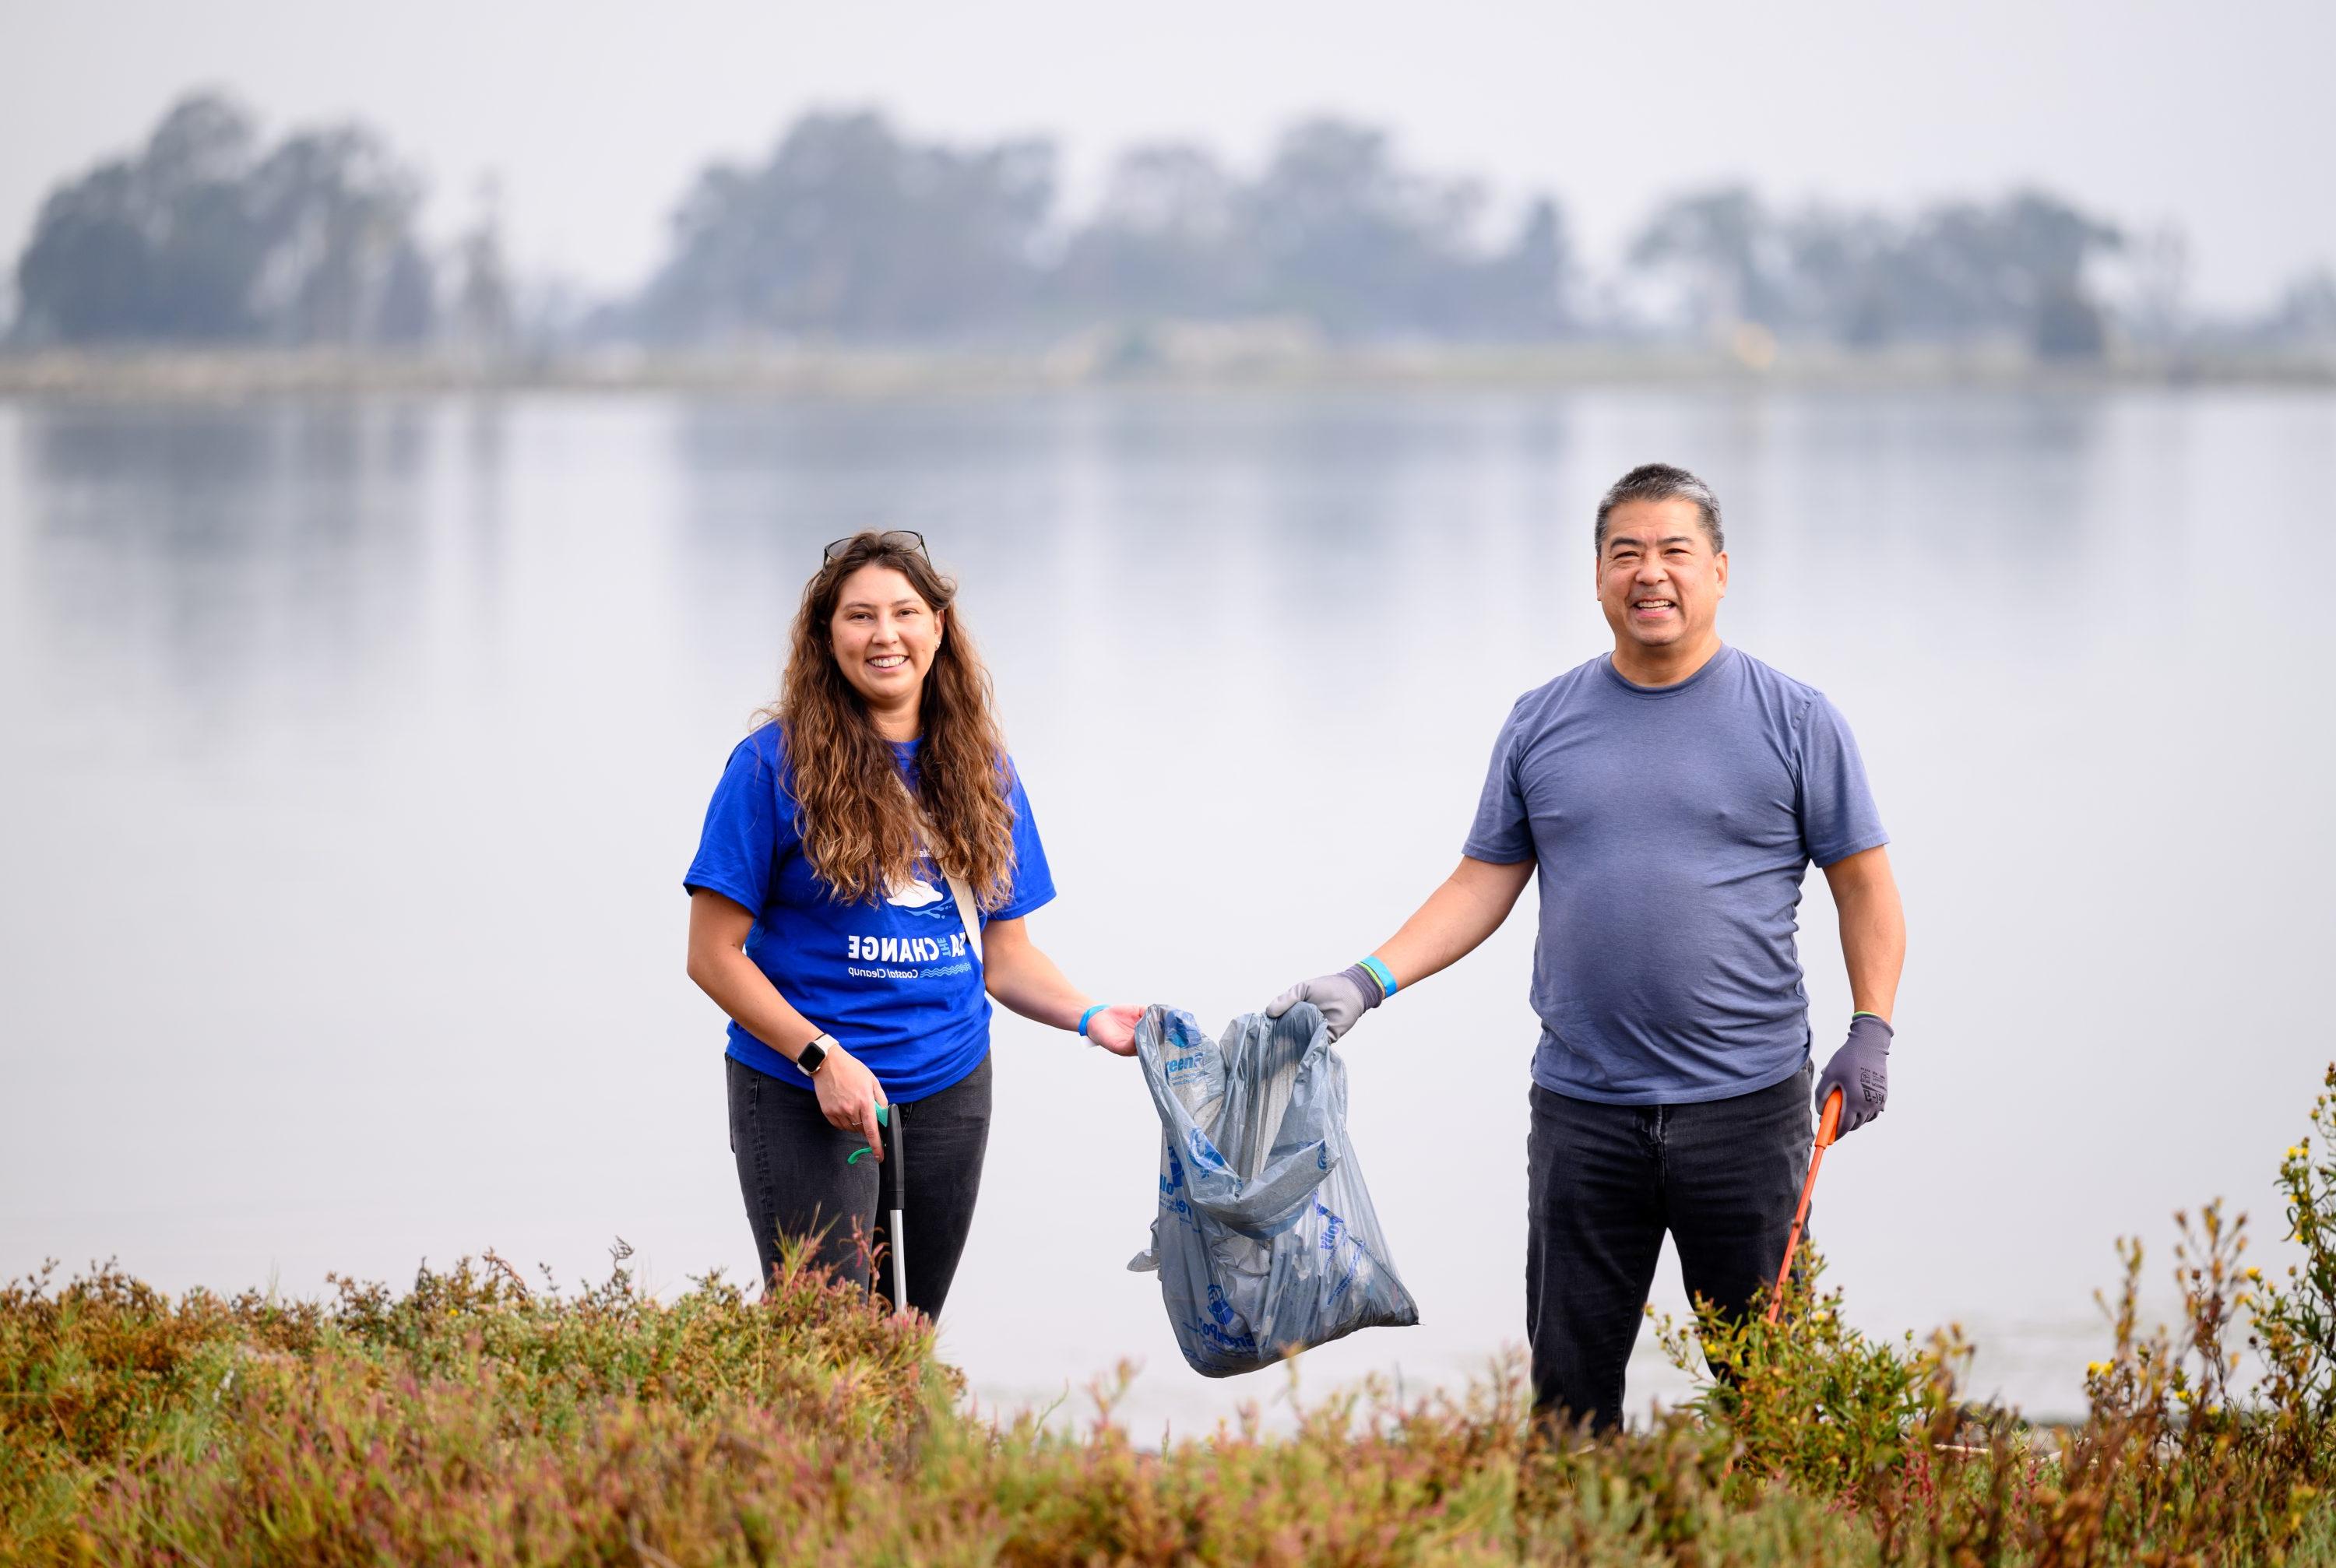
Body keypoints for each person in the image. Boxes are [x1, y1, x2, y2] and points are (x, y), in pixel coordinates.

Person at [1268, 463, 1905, 1433]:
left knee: (1771, 1400)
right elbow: (1483, 879)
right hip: (1585, 1114)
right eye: (1627, 553)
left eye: (1675, 552)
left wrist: (1872, 1027)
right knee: (1568, 1405)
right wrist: (1368, 979)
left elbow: (1864, 884)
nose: (1651, 574)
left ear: (1721, 571)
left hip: (1748, 1113)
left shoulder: (1797, 720)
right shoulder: (1542, 721)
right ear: (1599, 576)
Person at [684, 529, 1142, 1317]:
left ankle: (901, 1446)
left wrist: (1092, 1015)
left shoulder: (982, 771)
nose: (884, 634)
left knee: (909, 1333)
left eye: (904, 612)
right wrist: (820, 1054)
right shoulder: (767, 767)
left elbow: (1006, 957)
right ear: (827, 639)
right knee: (825, 1339)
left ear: (938, 627)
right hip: (802, 1087)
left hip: (949, 1087)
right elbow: (712, 955)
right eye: (860, 616)